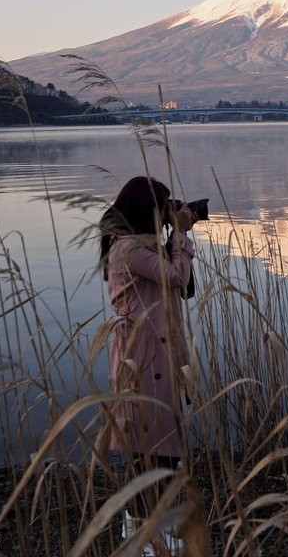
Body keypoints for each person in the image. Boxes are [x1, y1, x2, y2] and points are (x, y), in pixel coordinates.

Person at [100, 176, 199, 552]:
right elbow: (176, 276)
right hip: (144, 360)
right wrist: (181, 235)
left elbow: (183, 288)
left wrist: (176, 237)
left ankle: (146, 528)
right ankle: (145, 535)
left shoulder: (141, 246)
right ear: (146, 211)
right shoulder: (128, 249)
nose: (167, 214)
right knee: (152, 448)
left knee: (160, 448)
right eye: (163, 208)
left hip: (157, 354)